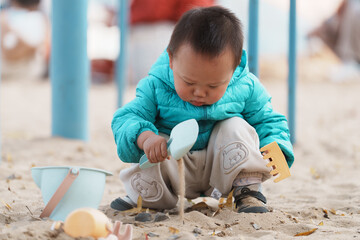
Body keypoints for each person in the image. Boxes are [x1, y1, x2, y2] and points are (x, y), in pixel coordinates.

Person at [111, 6, 294, 214]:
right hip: (174, 164)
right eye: (189, 81)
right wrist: (145, 138)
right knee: (155, 145)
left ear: (232, 70)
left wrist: (276, 146)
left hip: (226, 163)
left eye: (213, 86)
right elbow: (126, 118)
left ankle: (247, 192)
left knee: (236, 126)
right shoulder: (155, 85)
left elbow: (267, 119)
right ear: (172, 60)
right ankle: (148, 198)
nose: (199, 93)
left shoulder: (246, 86)